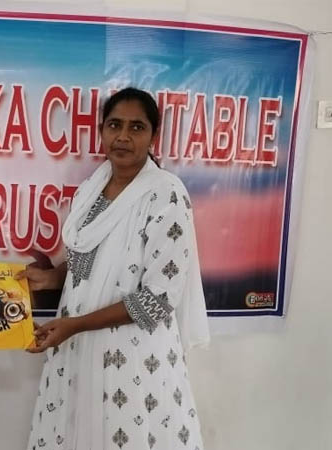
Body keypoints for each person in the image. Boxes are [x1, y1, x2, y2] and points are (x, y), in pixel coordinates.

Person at [19, 88, 209, 450]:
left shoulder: (166, 194)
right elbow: (86, 261)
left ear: (154, 136)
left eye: (136, 127)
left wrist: (76, 325)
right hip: (76, 348)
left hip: (134, 357)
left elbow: (157, 300)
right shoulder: (92, 188)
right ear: (101, 130)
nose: (123, 136)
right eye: (114, 125)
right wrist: (51, 277)